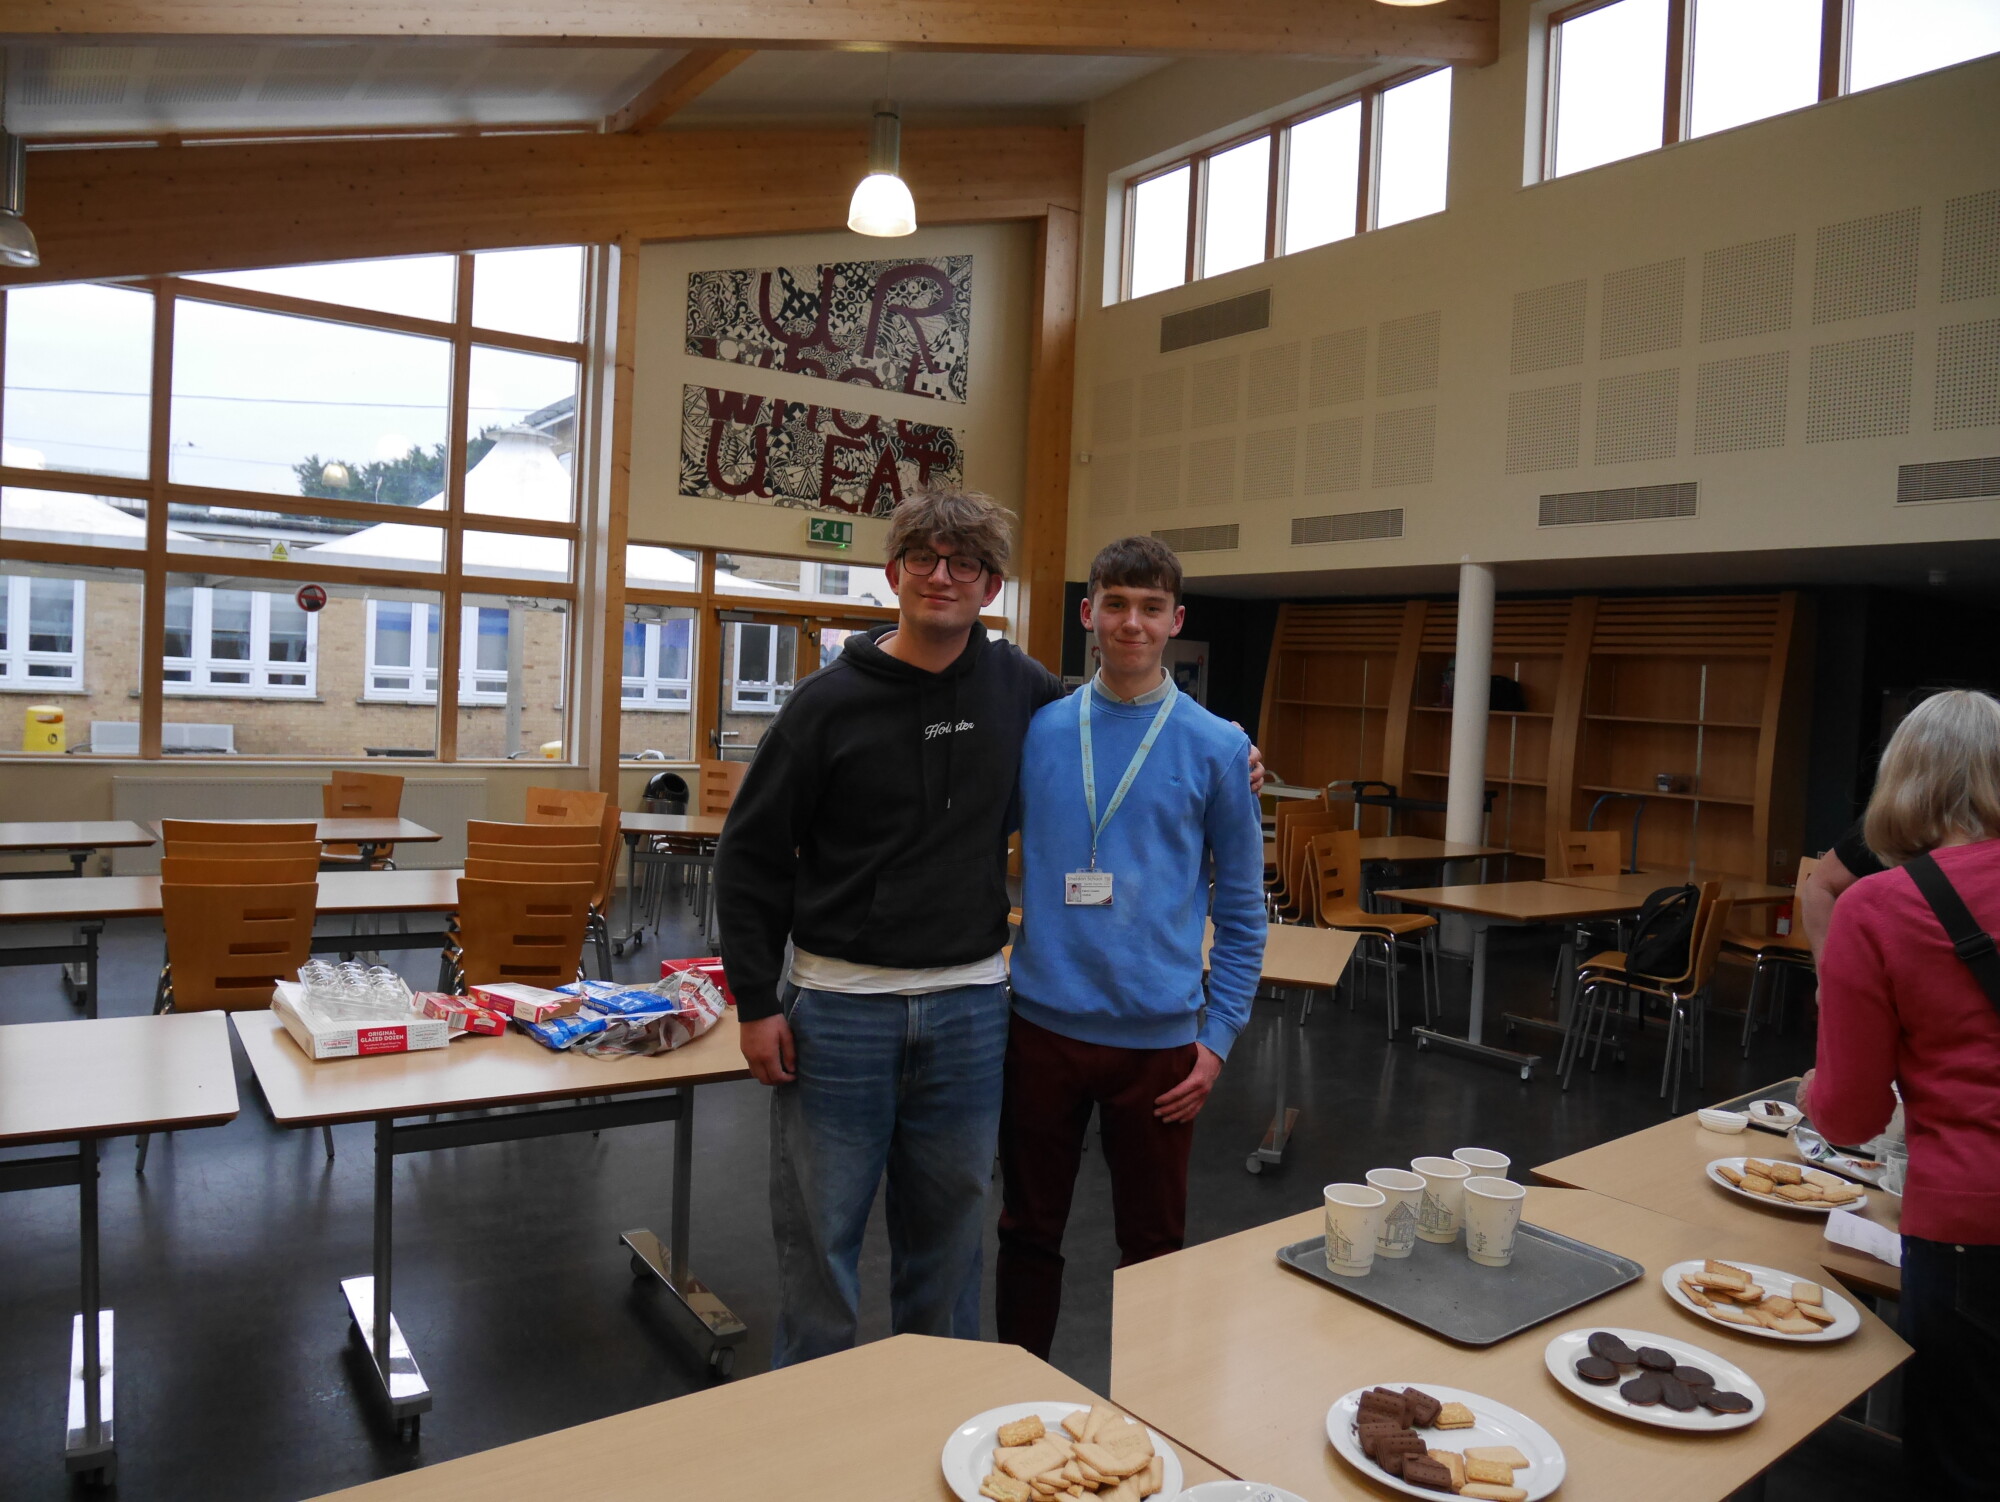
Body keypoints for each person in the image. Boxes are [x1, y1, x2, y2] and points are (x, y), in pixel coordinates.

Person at [713, 488, 1060, 1366]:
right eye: (923, 559)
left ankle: (936, 1424)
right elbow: (750, 856)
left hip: (970, 1012)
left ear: (990, 586)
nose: (942, 576)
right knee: (820, 1251)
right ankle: (819, 1431)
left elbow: (1111, 733)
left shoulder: (1019, 687)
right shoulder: (825, 704)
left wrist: (1228, 753)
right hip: (838, 1015)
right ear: (892, 573)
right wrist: (756, 1002)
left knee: (949, 1250)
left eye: (964, 563)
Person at [996, 535, 1267, 1359]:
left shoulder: (1219, 747)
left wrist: (1216, 1042)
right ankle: (1017, 1396)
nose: (1132, 623)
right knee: (1026, 1231)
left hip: (1160, 1049)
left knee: (1153, 1249)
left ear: (1176, 621)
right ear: (1089, 614)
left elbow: (1244, 910)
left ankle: (1151, 1417)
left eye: (1152, 608)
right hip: (1042, 1032)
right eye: (1115, 604)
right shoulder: (1040, 731)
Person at [1797, 689, 2000, 1502]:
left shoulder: (1880, 906)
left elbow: (1851, 1117)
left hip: (1970, 1221)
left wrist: (1816, 1091)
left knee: (1963, 1460)